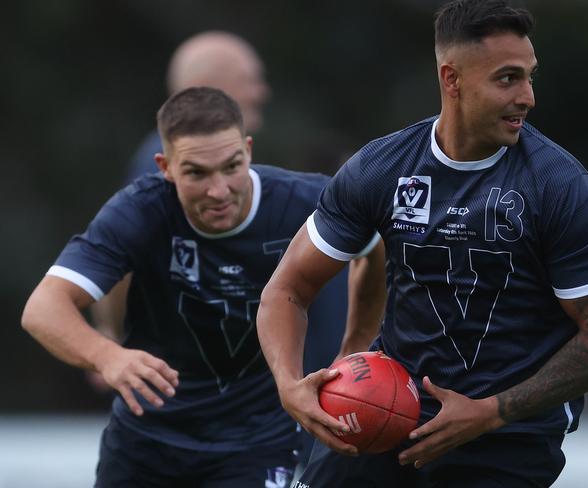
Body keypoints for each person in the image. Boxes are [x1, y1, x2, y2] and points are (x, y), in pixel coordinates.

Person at [256, 1, 588, 487]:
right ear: (451, 79)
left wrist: (491, 412)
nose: (527, 97)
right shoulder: (381, 169)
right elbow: (287, 290)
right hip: (389, 416)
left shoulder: (560, 187)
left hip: (507, 438)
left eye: (529, 77)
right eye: (507, 79)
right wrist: (290, 387)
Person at [21, 87, 383, 487]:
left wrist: (357, 344)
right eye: (197, 173)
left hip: (258, 442)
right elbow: (42, 308)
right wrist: (107, 356)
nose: (219, 190)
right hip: (145, 440)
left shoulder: (304, 200)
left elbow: (374, 248)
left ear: (248, 150)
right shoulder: (139, 211)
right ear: (165, 167)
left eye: (231, 166)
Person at [127, 30, 271, 180]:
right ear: (205, 89)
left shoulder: (190, 155)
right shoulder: (173, 164)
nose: (261, 94)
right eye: (246, 81)